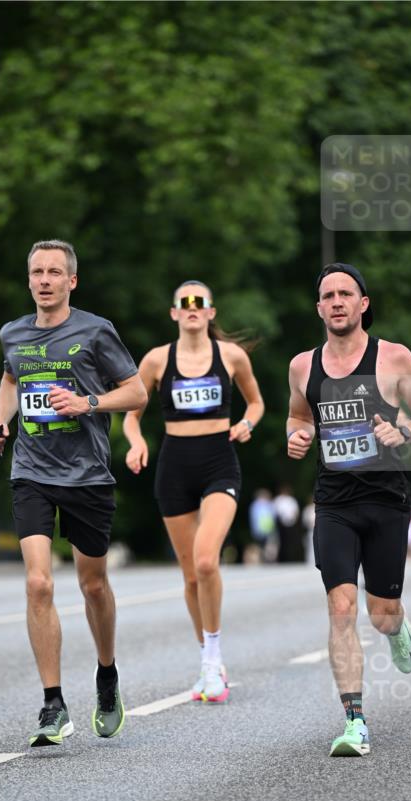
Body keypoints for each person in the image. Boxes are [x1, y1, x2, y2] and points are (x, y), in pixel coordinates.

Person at [0, 240, 147, 748]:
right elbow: (11, 380)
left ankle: (106, 675)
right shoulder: (13, 333)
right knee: (38, 584)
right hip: (31, 470)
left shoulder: (96, 331)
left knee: (93, 585)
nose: (45, 279)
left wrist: (88, 402)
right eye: (37, 271)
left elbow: (137, 393)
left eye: (55, 272)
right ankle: (53, 704)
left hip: (87, 475)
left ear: (71, 281)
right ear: (29, 279)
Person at [286, 262, 411, 757]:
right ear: (319, 308)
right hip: (334, 502)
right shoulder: (302, 366)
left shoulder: (393, 357)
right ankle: (355, 721)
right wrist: (296, 435)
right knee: (340, 605)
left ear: (362, 304)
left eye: (345, 294)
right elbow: (296, 414)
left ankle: (400, 626)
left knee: (381, 614)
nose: (336, 302)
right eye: (327, 295)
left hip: (385, 499)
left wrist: (405, 432)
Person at [123, 280, 264, 702]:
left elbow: (256, 403)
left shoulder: (232, 357)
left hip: (219, 464)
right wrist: (137, 440)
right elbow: (131, 415)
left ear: (211, 312)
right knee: (188, 576)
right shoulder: (155, 360)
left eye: (198, 302)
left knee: (206, 561)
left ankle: (213, 660)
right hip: (174, 468)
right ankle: (208, 660)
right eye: (183, 303)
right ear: (173, 314)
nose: (191, 308)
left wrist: (247, 424)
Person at [272, 484, 301, 563]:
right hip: (281, 524)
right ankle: (282, 558)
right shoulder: (278, 499)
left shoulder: (291, 500)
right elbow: (275, 511)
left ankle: (291, 558)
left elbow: (296, 512)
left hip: (291, 524)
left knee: (291, 542)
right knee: (281, 542)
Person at [249, 489, 277, 561]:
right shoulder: (258, 505)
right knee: (262, 546)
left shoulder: (259, 505)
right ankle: (263, 559)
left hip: (266, 529)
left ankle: (266, 559)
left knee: (267, 546)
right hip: (263, 529)